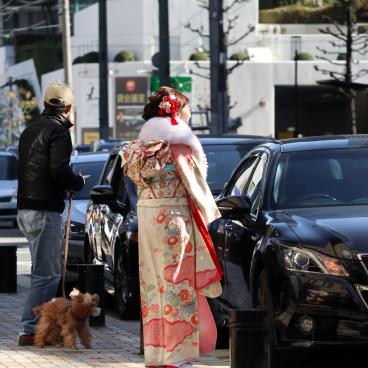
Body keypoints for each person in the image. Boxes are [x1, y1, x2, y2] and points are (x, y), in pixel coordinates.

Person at [119, 86, 223, 368]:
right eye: (186, 108)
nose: (189, 114)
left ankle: (156, 354)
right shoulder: (177, 146)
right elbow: (197, 186)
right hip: (174, 220)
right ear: (176, 112)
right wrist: (213, 217)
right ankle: (178, 356)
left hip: (149, 217)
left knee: (153, 286)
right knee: (178, 284)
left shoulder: (139, 149)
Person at [17, 82, 85, 346]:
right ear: (68, 108)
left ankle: (42, 326)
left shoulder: (29, 130)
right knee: (48, 274)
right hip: (45, 208)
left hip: (25, 207)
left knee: (40, 271)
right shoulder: (58, 131)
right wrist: (76, 182)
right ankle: (30, 328)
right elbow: (59, 170)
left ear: (45, 104)